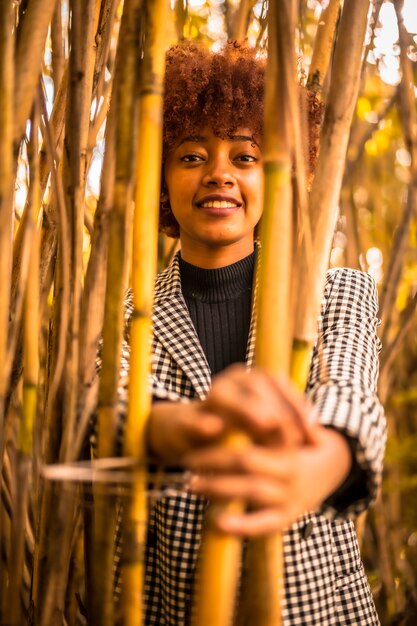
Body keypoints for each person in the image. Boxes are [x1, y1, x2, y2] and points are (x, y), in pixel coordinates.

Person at [118, 41, 386, 625]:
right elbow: (111, 409)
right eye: (191, 156)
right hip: (176, 604)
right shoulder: (129, 313)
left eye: (244, 158)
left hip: (315, 608)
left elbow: (351, 396)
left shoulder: (335, 289)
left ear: (277, 176)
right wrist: (180, 425)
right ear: (162, 179)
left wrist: (324, 463)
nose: (218, 173)